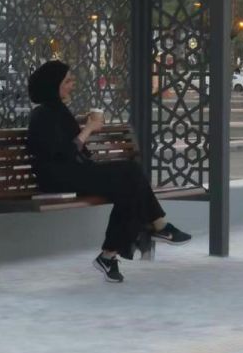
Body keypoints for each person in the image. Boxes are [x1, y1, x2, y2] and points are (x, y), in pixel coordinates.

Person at [27, 61, 192, 283]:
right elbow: (62, 153)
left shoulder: (58, 111)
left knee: (129, 186)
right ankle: (158, 225)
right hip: (58, 179)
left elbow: (71, 146)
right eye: (67, 81)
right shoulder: (42, 115)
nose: (72, 85)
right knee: (131, 173)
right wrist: (87, 129)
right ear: (53, 84)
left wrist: (81, 125)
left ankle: (110, 255)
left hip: (75, 173)